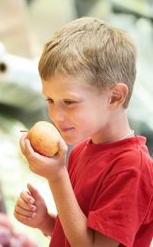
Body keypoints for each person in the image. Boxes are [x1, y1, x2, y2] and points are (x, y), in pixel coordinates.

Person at [14, 16, 153, 247]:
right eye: (50, 99)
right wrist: (45, 222)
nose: (55, 116)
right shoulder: (80, 151)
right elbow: (79, 233)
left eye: (69, 102)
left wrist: (57, 177)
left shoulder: (132, 168)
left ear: (114, 97)